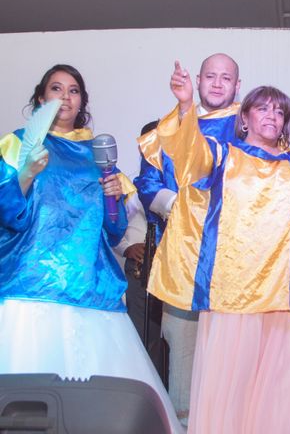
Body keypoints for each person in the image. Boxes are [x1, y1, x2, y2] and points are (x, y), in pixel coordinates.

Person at [148, 62, 290, 434]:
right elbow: (188, 155)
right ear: (245, 117)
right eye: (263, 107)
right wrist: (188, 105)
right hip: (233, 291)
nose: (272, 114)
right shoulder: (222, 157)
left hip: (284, 290)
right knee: (230, 385)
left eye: (279, 110)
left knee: (283, 384)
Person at [0, 64, 183, 433]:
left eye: (73, 90)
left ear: (82, 100)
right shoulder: (18, 143)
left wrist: (114, 198)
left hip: (91, 285)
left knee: (103, 412)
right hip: (30, 284)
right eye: (56, 88)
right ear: (41, 97)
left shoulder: (96, 154)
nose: (65, 97)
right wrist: (25, 175)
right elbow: (8, 216)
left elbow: (114, 231)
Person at [134, 53, 241, 426]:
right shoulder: (167, 130)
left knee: (233, 360)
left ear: (237, 86)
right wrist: (181, 207)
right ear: (197, 80)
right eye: (210, 76)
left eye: (225, 77)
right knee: (182, 351)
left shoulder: (249, 130)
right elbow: (147, 185)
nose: (217, 83)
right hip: (181, 262)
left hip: (235, 266)